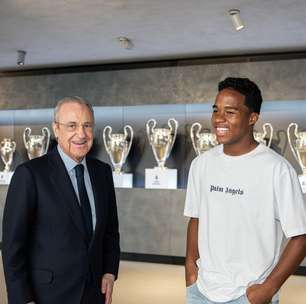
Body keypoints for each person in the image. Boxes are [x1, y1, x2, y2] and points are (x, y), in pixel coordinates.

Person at [184, 77, 306, 304]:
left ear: (252, 118)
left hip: (249, 295)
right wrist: (191, 270)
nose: (219, 118)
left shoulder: (277, 169)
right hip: (201, 291)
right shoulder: (201, 164)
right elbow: (196, 218)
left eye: (230, 112)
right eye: (216, 110)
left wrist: (268, 288)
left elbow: (300, 236)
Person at [2, 96, 120, 304]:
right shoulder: (30, 174)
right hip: (47, 296)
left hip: (94, 293)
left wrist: (110, 271)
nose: (81, 134)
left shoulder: (103, 173)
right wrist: (22, 299)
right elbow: (13, 246)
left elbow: (110, 230)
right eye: (72, 125)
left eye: (87, 125)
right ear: (56, 129)